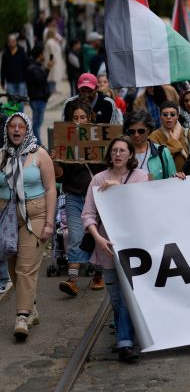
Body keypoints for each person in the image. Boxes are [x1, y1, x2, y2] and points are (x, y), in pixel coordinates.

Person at [82, 135, 148, 361]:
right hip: (107, 248)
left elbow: (143, 206)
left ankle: (125, 343)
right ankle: (129, 334)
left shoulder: (141, 177)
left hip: (134, 249)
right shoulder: (98, 179)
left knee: (129, 294)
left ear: (131, 154)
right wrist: (98, 238)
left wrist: (118, 188)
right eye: (114, 151)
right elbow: (88, 214)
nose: (118, 154)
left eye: (122, 150)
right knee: (117, 298)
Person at [0, 113, 57, 341]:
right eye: (12, 126)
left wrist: (50, 222)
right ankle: (31, 308)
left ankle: (21, 317)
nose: (16, 130)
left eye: (20, 126)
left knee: (26, 268)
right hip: (7, 216)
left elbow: (51, 189)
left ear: (27, 129)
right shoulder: (2, 155)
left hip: (36, 214)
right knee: (14, 268)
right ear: (7, 130)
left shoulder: (39, 155)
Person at [53, 102, 107, 297]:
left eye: (82, 118)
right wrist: (55, 160)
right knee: (75, 236)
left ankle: (99, 275)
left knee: (98, 235)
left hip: (98, 197)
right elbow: (59, 175)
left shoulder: (101, 140)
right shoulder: (64, 143)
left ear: (90, 118)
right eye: (75, 118)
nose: (78, 122)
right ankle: (73, 280)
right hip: (74, 196)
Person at [122, 110, 176, 180]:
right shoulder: (121, 152)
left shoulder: (162, 151)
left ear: (148, 130)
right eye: (132, 131)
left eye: (141, 131)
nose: (136, 135)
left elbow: (172, 180)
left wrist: (178, 177)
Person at [149, 101, 190, 170]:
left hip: (189, 177)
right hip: (167, 179)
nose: (168, 117)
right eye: (165, 114)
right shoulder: (153, 136)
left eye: (172, 114)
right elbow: (157, 161)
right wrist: (173, 141)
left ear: (177, 116)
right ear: (160, 117)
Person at [25, 47, 51, 143]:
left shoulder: (36, 66)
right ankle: (37, 144)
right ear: (39, 55)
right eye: (42, 54)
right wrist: (47, 69)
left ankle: (36, 143)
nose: (44, 56)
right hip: (37, 99)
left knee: (37, 122)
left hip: (39, 99)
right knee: (37, 123)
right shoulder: (33, 68)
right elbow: (40, 80)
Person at [43, 24, 64, 95]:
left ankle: (53, 89)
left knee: (54, 76)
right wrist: (53, 60)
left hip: (54, 61)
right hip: (52, 61)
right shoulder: (50, 42)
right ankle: (51, 89)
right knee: (51, 76)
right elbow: (52, 52)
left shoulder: (53, 41)